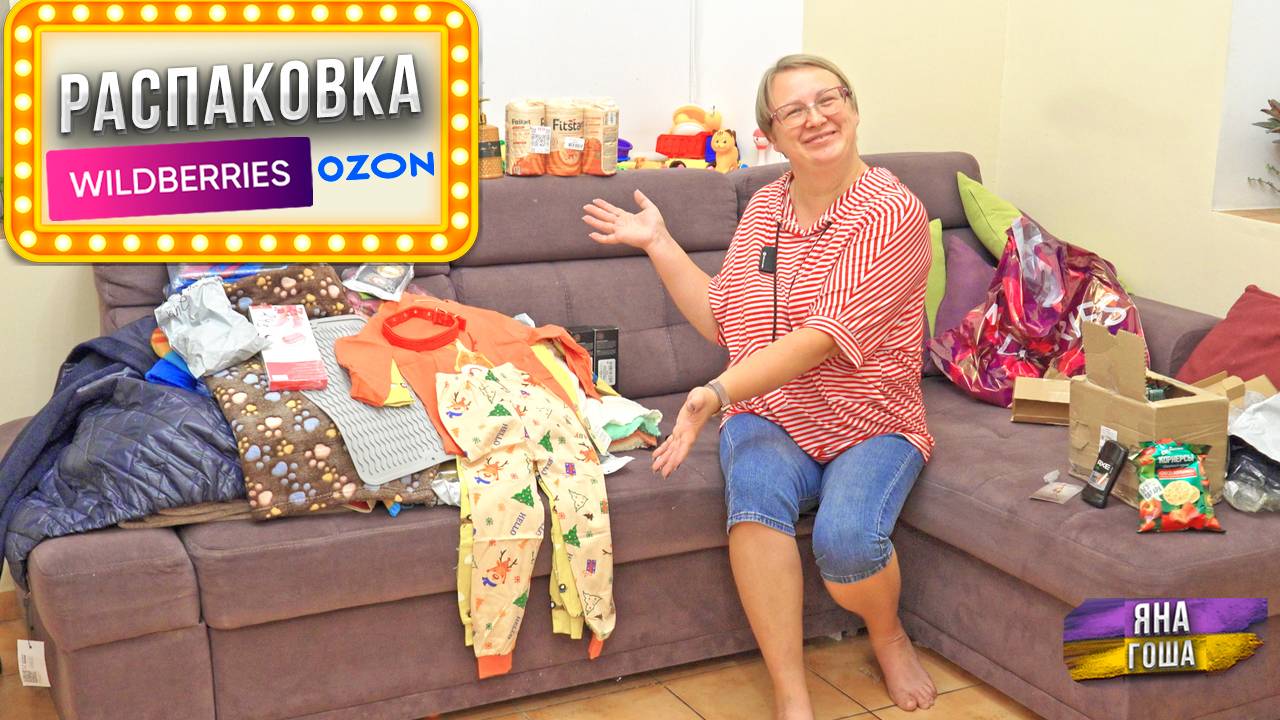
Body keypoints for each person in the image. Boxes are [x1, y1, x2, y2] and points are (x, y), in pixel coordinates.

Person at [582, 54, 936, 717]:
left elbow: (822, 337)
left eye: (828, 99)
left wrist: (716, 393)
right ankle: (791, 692)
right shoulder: (768, 206)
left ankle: (888, 636)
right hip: (770, 414)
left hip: (871, 422)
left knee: (847, 545)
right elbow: (725, 319)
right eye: (793, 110)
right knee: (755, 500)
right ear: (769, 135)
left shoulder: (892, 212)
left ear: (853, 108)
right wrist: (658, 243)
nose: (816, 117)